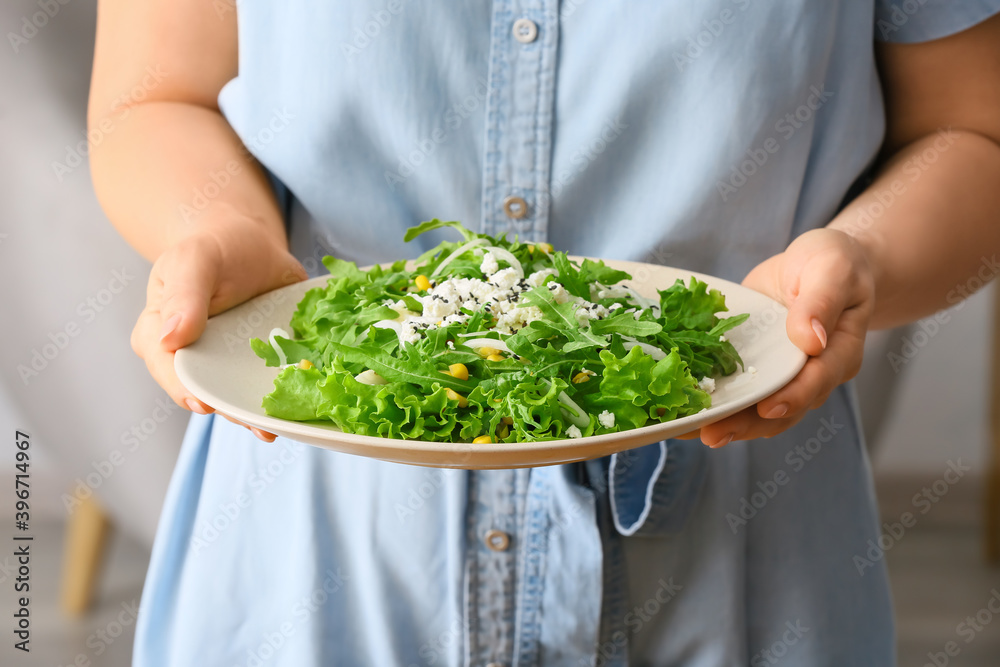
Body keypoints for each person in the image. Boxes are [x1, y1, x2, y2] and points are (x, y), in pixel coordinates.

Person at [89, 1, 1000, 665]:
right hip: (313, 546)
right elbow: (157, 96)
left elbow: (972, 130)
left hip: (739, 546)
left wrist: (864, 257)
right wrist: (222, 229)